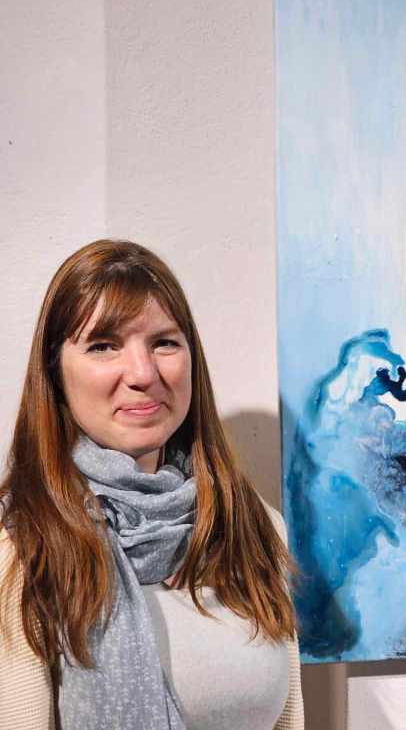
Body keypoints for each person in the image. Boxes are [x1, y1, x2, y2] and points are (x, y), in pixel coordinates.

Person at [0, 239, 304, 730]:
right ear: (55, 372)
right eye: (103, 345)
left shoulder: (254, 525)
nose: (143, 373)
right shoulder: (19, 544)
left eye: (164, 342)